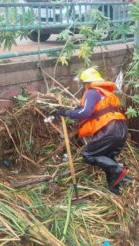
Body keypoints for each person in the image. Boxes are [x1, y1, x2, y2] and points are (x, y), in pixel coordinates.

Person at [55, 67, 129, 195]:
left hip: (109, 130)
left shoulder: (92, 92)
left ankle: (119, 170)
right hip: (121, 129)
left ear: (87, 83)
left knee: (89, 155)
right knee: (107, 158)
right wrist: (75, 110)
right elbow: (95, 111)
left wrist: (65, 112)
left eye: (83, 84)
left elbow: (85, 112)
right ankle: (115, 190)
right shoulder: (105, 93)